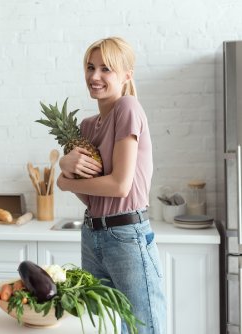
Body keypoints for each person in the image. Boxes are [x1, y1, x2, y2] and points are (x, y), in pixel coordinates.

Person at [57, 37, 166, 334]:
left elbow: (119, 186)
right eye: (90, 67)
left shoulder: (127, 107)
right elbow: (91, 197)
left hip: (127, 236)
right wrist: (65, 168)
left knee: (143, 328)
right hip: (92, 234)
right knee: (101, 327)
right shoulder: (88, 126)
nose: (95, 76)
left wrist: (64, 183)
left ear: (126, 75)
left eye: (106, 69)